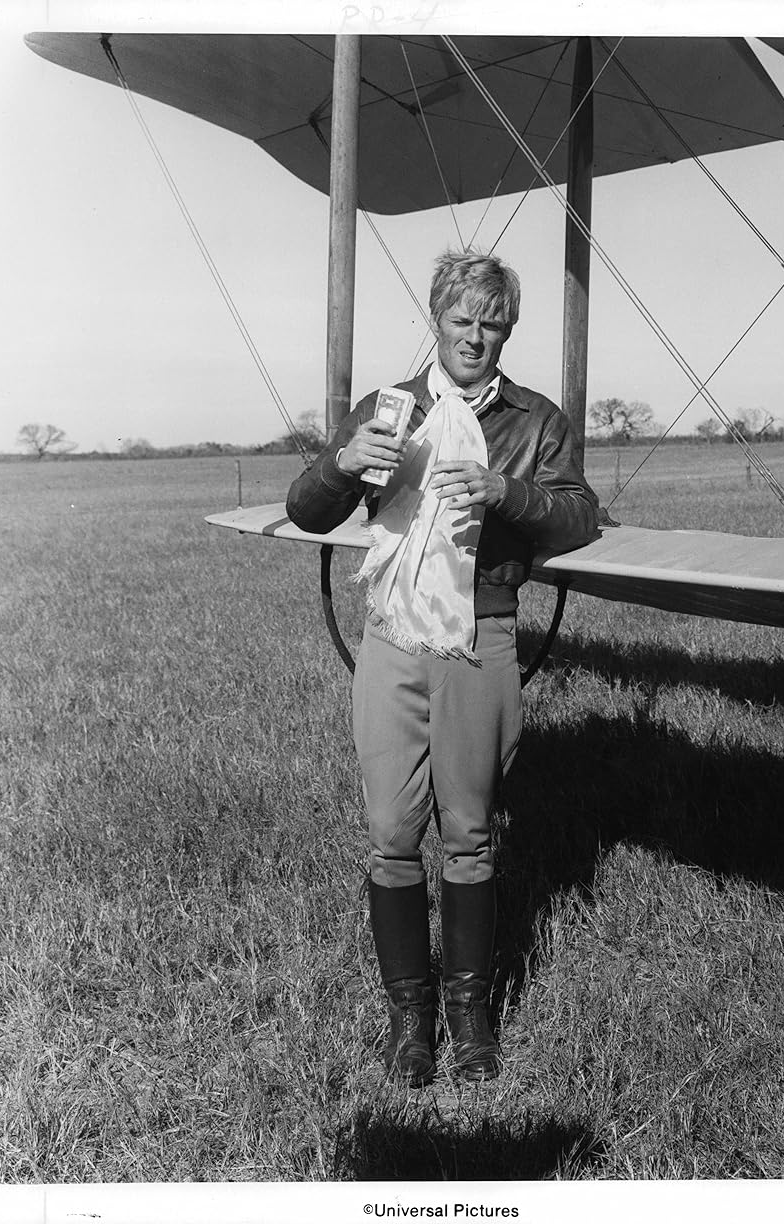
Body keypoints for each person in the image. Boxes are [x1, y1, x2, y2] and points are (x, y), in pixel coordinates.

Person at [286, 249, 598, 1086]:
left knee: (469, 836)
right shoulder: (390, 408)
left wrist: (505, 492)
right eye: (461, 319)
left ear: (508, 330)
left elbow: (579, 517)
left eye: (492, 322)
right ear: (437, 320)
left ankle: (470, 1017)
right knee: (391, 835)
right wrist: (343, 463)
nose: (475, 336)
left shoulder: (535, 420)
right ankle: (409, 1021)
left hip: (482, 639)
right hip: (391, 640)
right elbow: (305, 511)